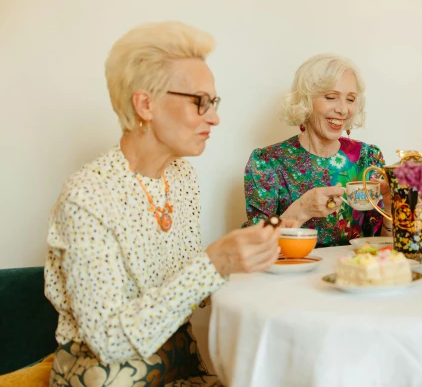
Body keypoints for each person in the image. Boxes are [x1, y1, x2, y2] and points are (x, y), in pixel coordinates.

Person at [45, 22, 281, 386]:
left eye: (213, 102)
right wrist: (214, 263)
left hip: (178, 368)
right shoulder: (88, 195)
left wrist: (267, 237)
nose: (214, 117)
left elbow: (189, 288)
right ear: (145, 103)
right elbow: (109, 343)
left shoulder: (181, 178)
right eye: (199, 101)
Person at [243, 53, 391, 246]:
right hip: (293, 274)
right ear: (306, 100)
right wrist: (302, 209)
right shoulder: (267, 162)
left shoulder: (368, 158)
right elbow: (253, 246)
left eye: (350, 99)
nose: (343, 110)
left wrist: (390, 207)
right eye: (331, 97)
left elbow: (384, 248)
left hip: (355, 271)